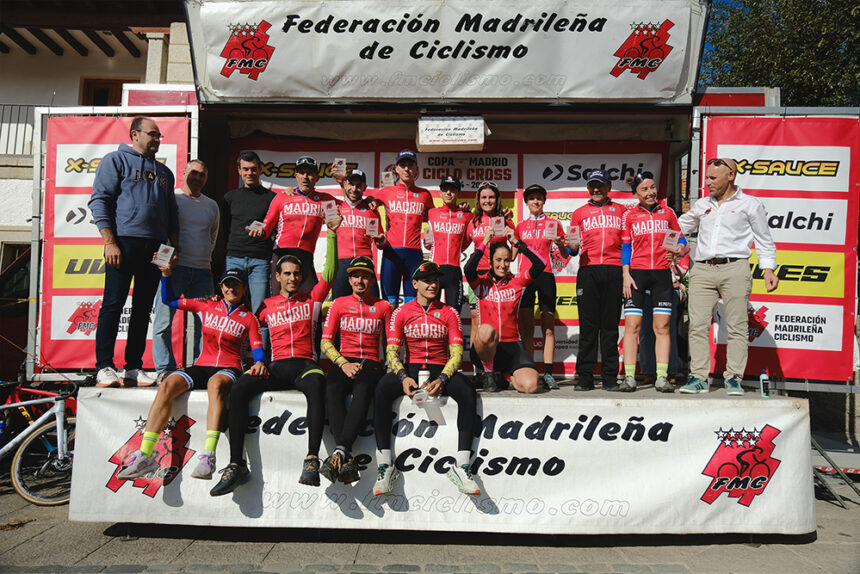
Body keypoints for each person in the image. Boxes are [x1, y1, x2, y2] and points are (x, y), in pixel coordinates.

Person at [209, 218, 340, 496]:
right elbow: (243, 330)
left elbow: (330, 272)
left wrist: (331, 234)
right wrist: (252, 362)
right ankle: (236, 464)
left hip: (306, 365)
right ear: (277, 276)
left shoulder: (313, 298)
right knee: (241, 386)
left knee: (318, 384)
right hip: (276, 366)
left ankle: (312, 458)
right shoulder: (265, 306)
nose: (293, 278)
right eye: (287, 273)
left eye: (297, 274)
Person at [116, 268, 265, 481]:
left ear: (244, 288)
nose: (231, 288)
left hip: (228, 367)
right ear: (221, 288)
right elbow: (168, 300)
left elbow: (258, 348)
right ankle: (146, 455)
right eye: (227, 284)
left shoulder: (249, 318)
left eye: (236, 285)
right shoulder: (206, 305)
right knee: (167, 384)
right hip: (202, 364)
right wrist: (167, 276)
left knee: (215, 383)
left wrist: (259, 362)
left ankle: (208, 456)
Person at [373, 261, 479, 496]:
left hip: (441, 369)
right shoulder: (401, 312)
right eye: (427, 281)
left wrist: (442, 378)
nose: (433, 284)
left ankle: (462, 466)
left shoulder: (449, 311)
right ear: (415, 284)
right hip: (411, 370)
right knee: (381, 389)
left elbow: (457, 353)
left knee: (468, 392)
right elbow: (391, 351)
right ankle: (385, 465)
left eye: (436, 280)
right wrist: (402, 377)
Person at [88, 116, 178, 388]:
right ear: (135, 134)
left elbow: (172, 214)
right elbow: (99, 199)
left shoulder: (165, 173)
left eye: (159, 135)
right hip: (124, 241)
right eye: (152, 134)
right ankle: (104, 365)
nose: (157, 139)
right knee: (113, 304)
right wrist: (109, 241)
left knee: (142, 309)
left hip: (156, 247)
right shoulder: (115, 160)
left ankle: (133, 367)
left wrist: (172, 247)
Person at [677, 157, 778, 395]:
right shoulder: (703, 204)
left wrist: (769, 269)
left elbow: (764, 238)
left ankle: (733, 378)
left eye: (713, 178)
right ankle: (698, 377)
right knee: (697, 325)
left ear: (730, 176)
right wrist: (668, 239)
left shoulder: (750, 204)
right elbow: (680, 226)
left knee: (737, 326)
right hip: (702, 268)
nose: (707, 182)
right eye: (707, 177)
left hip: (735, 267)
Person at [319, 256, 392, 484]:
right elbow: (326, 342)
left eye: (365, 276)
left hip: (371, 362)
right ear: (349, 280)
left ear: (372, 280)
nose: (360, 280)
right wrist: (343, 363)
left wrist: (391, 367)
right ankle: (346, 458)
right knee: (332, 388)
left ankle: (340, 452)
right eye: (355, 276)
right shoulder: (339, 304)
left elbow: (391, 344)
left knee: (362, 388)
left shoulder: (383, 306)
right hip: (344, 359)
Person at [152, 160, 219, 381]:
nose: (197, 178)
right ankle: (165, 370)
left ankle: (202, 368)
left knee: (206, 325)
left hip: (202, 271)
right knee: (163, 322)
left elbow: (212, 237)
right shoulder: (172, 199)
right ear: (183, 173)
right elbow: (160, 229)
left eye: (202, 174)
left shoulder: (211, 205)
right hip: (174, 270)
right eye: (194, 173)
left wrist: (204, 259)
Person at [620, 172, 686, 393]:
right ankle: (629, 377)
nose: (650, 193)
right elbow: (626, 247)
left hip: (661, 275)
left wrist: (679, 249)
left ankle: (661, 377)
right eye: (644, 189)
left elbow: (682, 240)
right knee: (633, 326)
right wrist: (625, 275)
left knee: (662, 327)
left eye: (652, 187)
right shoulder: (629, 216)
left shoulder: (667, 213)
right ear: (636, 194)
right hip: (636, 275)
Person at [466, 227, 544, 394]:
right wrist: (484, 242)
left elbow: (540, 263)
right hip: (486, 350)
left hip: (513, 347)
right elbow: (468, 269)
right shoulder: (480, 284)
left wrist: (517, 243)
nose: (503, 265)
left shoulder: (517, 282)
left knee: (531, 386)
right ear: (491, 261)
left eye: (507, 260)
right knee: (486, 330)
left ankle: (505, 376)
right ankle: (488, 373)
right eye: (498, 260)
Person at [566, 169, 624, 391]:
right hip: (588, 270)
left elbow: (628, 244)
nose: (596, 189)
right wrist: (568, 246)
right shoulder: (579, 213)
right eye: (592, 185)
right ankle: (585, 377)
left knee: (609, 327)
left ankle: (610, 377)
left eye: (600, 185)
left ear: (609, 187)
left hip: (614, 269)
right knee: (588, 327)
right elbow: (572, 250)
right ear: (588, 188)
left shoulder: (622, 211)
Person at [251, 156, 337, 293]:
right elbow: (266, 227)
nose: (305, 177)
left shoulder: (325, 200)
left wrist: (368, 200)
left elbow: (350, 207)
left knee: (310, 301)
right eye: (302, 173)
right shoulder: (283, 196)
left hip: (306, 256)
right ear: (296, 175)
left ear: (317, 177)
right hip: (281, 253)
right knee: (279, 302)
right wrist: (259, 231)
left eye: (310, 173)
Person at [515, 184, 567, 390]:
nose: (536, 201)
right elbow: (512, 256)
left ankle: (548, 372)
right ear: (526, 202)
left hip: (546, 275)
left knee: (548, 328)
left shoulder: (554, 223)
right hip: (526, 277)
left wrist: (560, 243)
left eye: (539, 198)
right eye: (532, 198)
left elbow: (564, 255)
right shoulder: (520, 226)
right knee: (527, 328)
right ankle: (530, 369)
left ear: (544, 201)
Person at [370, 149, 435, 306]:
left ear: (416, 169)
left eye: (410, 165)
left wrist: (430, 237)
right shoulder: (385, 192)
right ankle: (389, 332)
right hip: (391, 253)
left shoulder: (425, 194)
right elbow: (364, 206)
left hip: (414, 254)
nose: (407, 169)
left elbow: (433, 220)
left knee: (412, 304)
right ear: (396, 169)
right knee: (389, 304)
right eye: (403, 165)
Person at [465, 181, 516, 370]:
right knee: (476, 319)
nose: (488, 201)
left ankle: (498, 365)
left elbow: (514, 248)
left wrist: (508, 261)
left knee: (498, 319)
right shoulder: (472, 222)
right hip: (477, 276)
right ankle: (477, 369)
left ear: (497, 199)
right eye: (484, 197)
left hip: (498, 277)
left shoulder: (506, 221)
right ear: (478, 200)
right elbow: (460, 246)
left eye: (491, 197)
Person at [222, 151, 276, 314]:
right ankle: (233, 340)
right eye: (245, 169)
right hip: (234, 258)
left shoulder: (272, 198)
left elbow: (275, 230)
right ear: (239, 170)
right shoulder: (229, 197)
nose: (249, 173)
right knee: (231, 308)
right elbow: (225, 228)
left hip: (260, 261)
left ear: (260, 170)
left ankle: (259, 341)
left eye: (253, 169)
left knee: (260, 311)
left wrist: (264, 233)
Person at [330, 168, 386, 299]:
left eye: (358, 185)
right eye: (351, 184)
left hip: (365, 263)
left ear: (364, 187)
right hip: (340, 264)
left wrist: (381, 240)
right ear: (345, 184)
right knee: (340, 307)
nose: (354, 189)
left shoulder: (371, 210)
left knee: (373, 306)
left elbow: (382, 243)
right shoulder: (336, 207)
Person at [423, 175, 473, 310]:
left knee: (455, 315)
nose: (449, 193)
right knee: (431, 313)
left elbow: (473, 234)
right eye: (445, 189)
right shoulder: (431, 213)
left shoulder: (467, 215)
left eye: (452, 190)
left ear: (458, 193)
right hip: (434, 269)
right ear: (440, 192)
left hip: (454, 270)